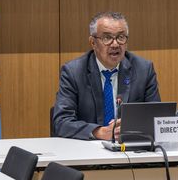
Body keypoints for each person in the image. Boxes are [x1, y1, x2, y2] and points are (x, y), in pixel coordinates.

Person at [52, 12, 160, 140]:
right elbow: (62, 122)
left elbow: (156, 119)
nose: (115, 44)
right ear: (93, 42)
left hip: (131, 151)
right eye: (107, 38)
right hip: (88, 153)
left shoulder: (143, 69)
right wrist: (99, 132)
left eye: (120, 37)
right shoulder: (73, 72)